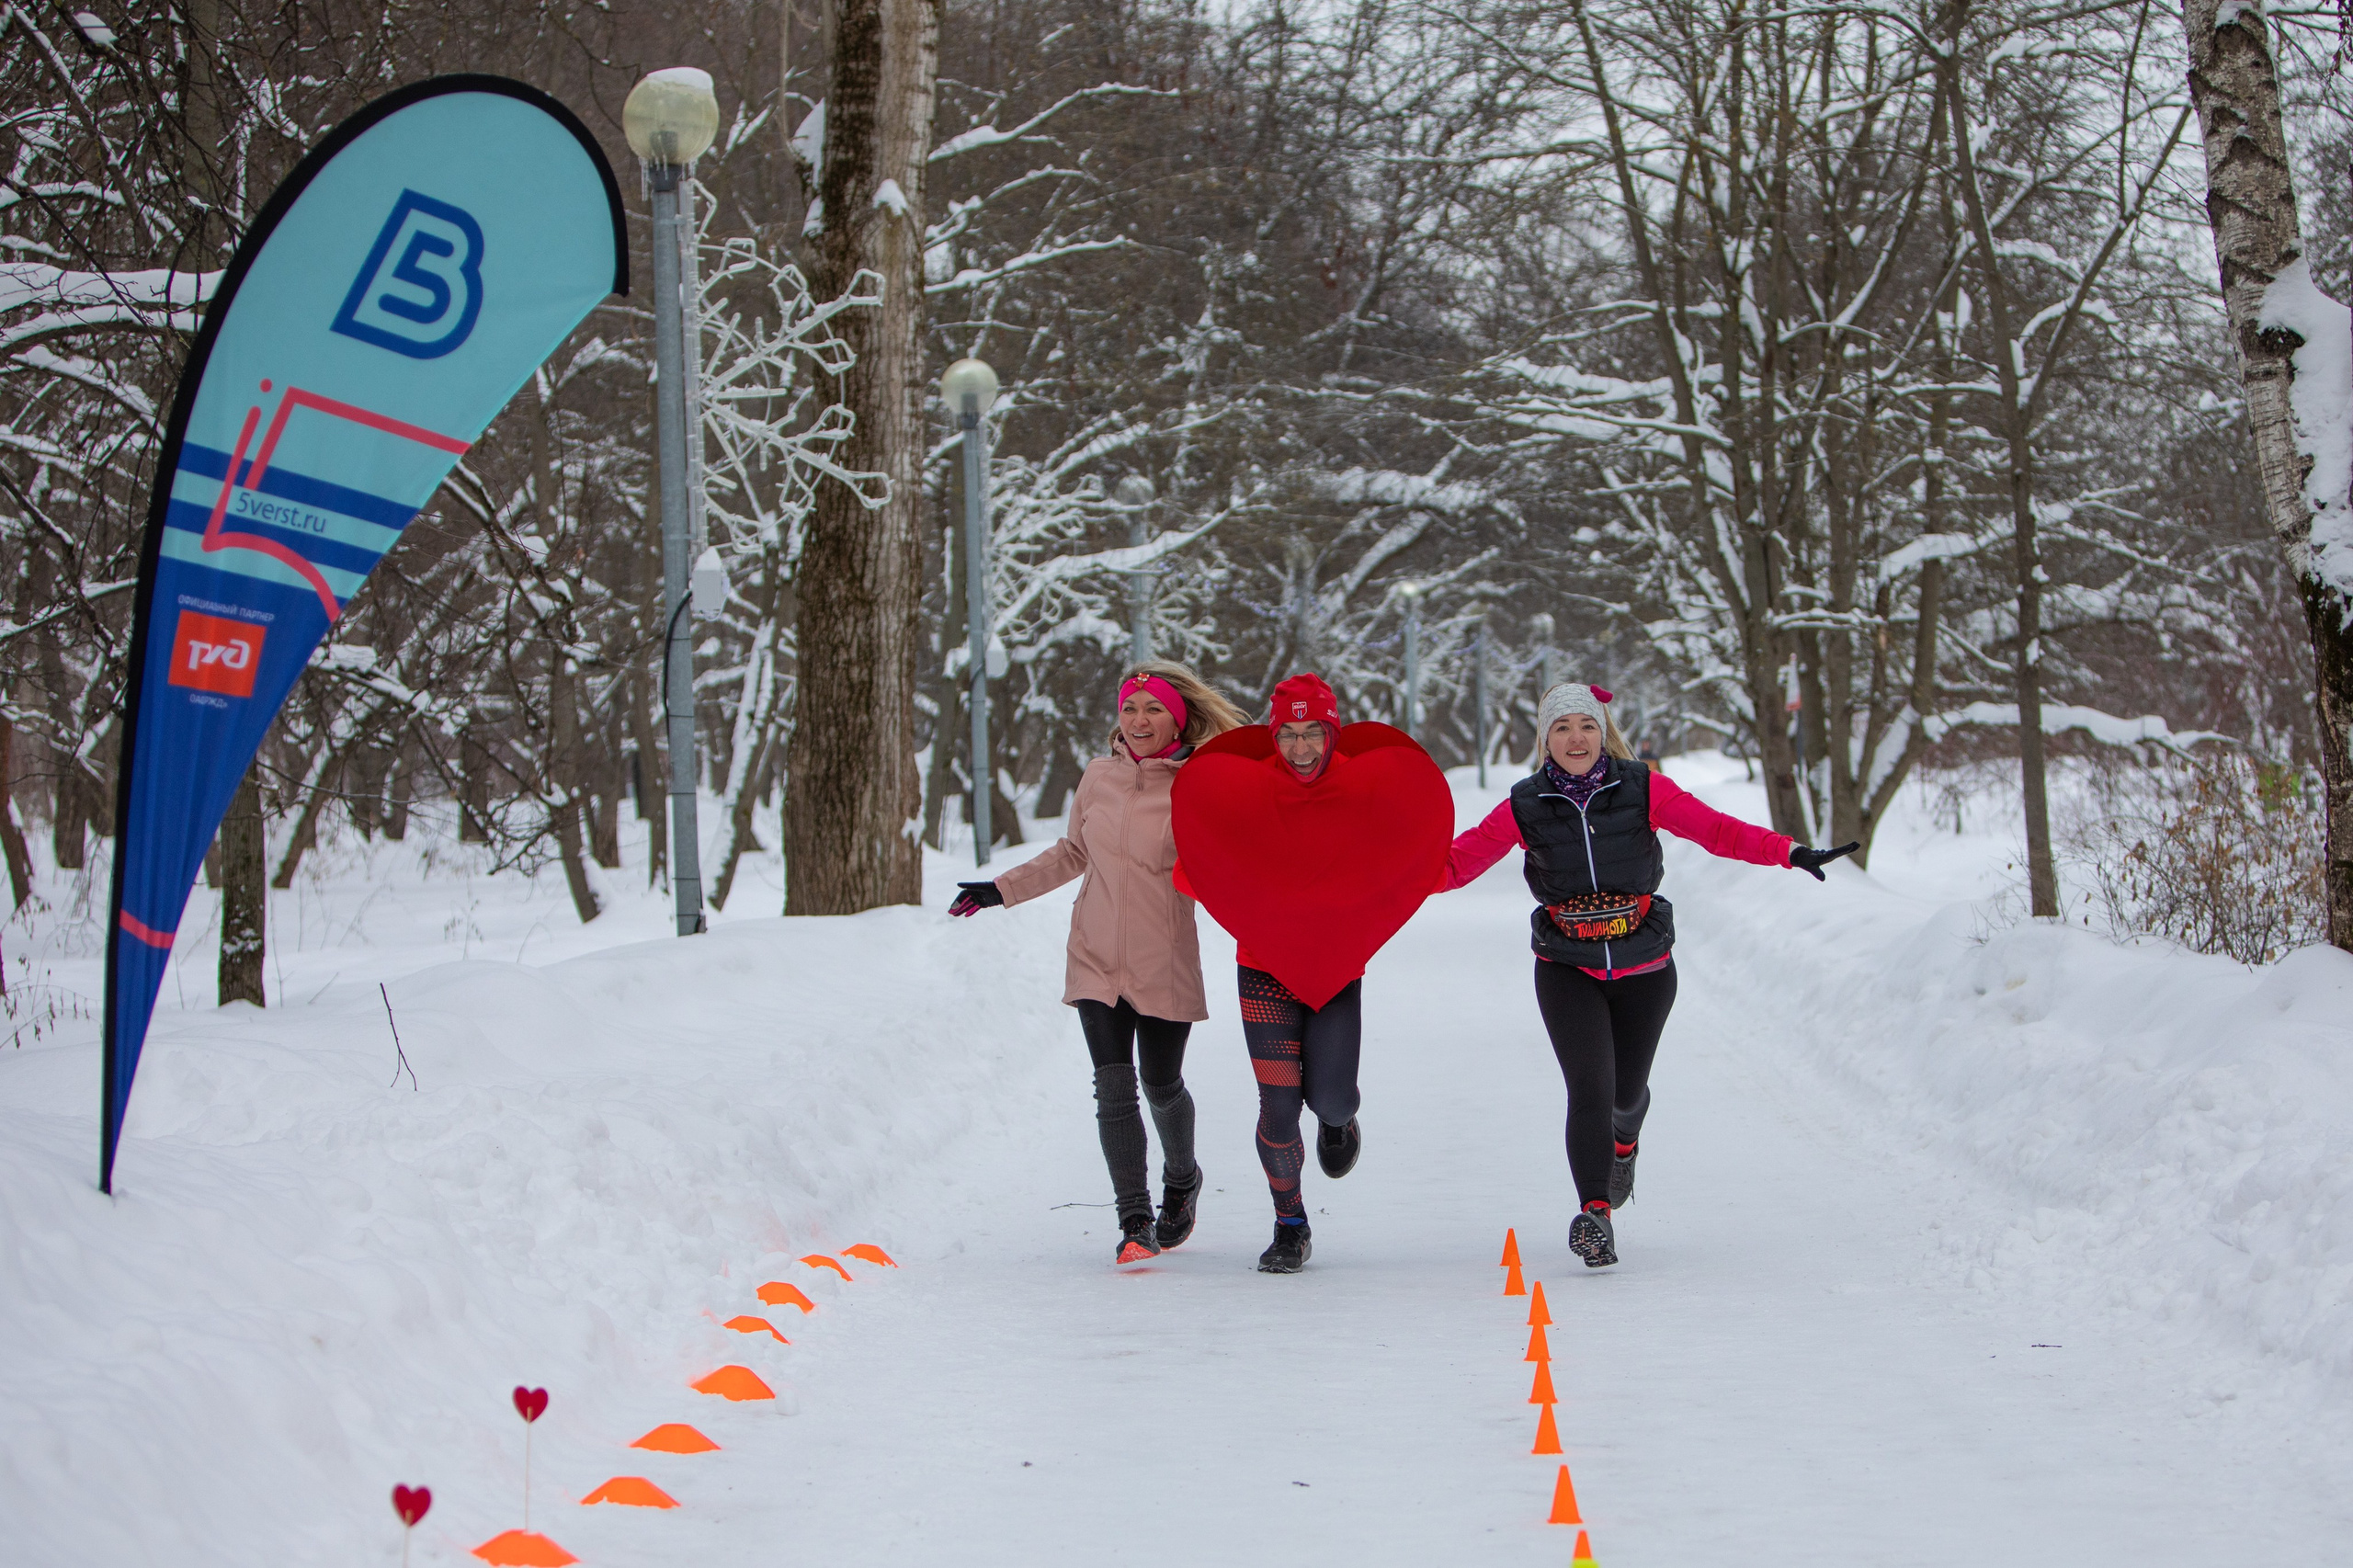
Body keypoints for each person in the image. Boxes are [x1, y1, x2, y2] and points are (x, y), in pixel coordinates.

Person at [1439, 682, 1857, 1268]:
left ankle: (1625, 1142)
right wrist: (1382, 874)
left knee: (1625, 1095)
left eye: (1586, 726)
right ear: (1545, 739)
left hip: (1644, 963)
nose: (1575, 738)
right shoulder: (1524, 804)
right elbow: (1457, 864)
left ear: (1603, 732)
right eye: (1562, 728)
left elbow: (1716, 830)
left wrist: (1787, 851)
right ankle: (1595, 1216)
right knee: (1590, 1089)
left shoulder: (1640, 787)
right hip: (1566, 964)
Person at [947, 661, 1249, 1265]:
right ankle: (1135, 1220)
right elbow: (1072, 852)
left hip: (1162, 958)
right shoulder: (1098, 776)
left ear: (1178, 718)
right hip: (1094, 956)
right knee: (1113, 1089)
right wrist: (1000, 889)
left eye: (1153, 709)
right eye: (1130, 709)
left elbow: (1229, 866)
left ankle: (1182, 1179)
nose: (1139, 721)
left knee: (1161, 1087)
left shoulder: (1200, 783)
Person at [1172, 674, 1416, 1276]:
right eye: (1288, 734)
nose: (1301, 748)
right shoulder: (1248, 792)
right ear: (1272, 735)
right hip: (1264, 967)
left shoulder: (1357, 792)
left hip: (1335, 968)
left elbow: (1401, 848)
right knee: (1279, 1108)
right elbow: (1198, 866)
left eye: (1314, 733)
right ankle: (1291, 1225)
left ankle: (1339, 1122)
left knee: (1328, 1095)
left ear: (1332, 733)